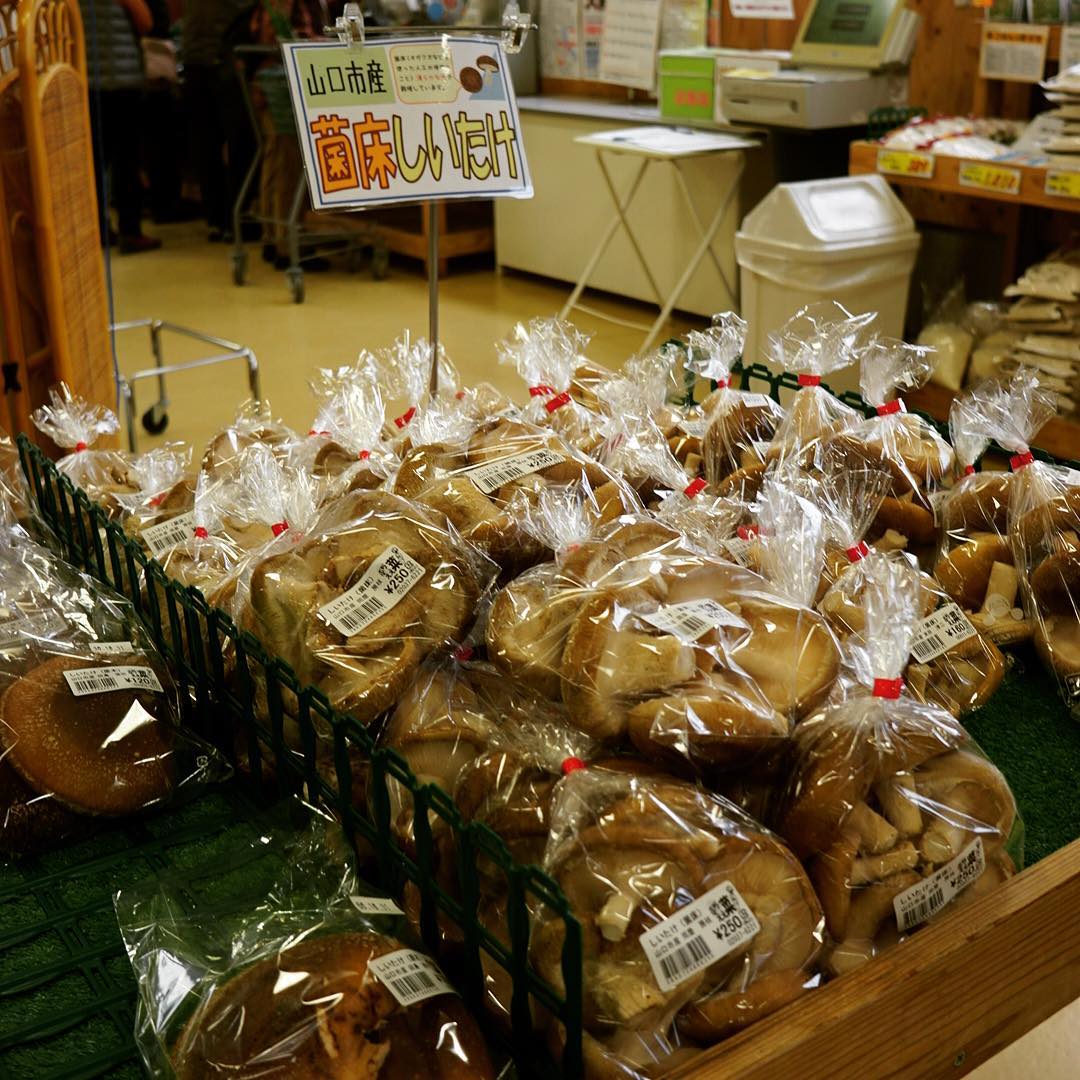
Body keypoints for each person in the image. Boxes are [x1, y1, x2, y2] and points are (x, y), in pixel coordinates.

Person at [248, 0, 327, 267]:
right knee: (289, 164)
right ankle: (288, 244)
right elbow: (283, 39)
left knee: (273, 159)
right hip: (282, 84)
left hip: (265, 81)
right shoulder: (286, 4)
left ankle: (273, 235)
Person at [80, 0, 162, 254]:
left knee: (92, 162)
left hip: (84, 81)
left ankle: (97, 229)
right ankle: (131, 231)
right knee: (126, 161)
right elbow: (146, 22)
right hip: (120, 81)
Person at [181, 0, 258, 242]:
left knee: (207, 145)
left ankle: (217, 219)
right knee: (240, 144)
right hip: (224, 60)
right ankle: (236, 218)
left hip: (195, 60)